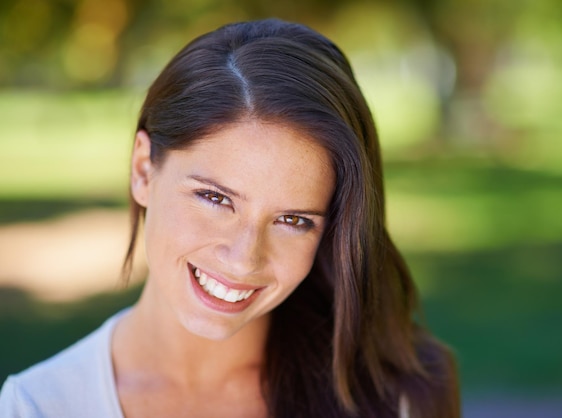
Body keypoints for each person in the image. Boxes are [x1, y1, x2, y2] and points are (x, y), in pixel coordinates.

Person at [0, 18, 459, 417]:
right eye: (215, 198)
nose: (243, 261)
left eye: (294, 220)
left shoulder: (395, 399)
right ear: (144, 169)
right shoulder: (36, 407)